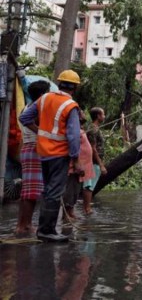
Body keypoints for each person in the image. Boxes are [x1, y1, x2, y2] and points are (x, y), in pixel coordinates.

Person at [19, 69, 83, 242]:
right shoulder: (70, 106)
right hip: (59, 155)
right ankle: (47, 231)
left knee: (48, 191)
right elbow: (73, 136)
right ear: (75, 88)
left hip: (43, 153)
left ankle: (43, 229)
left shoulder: (44, 98)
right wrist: (76, 160)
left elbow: (24, 118)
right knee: (54, 192)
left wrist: (40, 132)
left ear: (59, 83)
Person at [14, 80, 51, 236]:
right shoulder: (37, 108)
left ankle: (24, 224)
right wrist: (43, 133)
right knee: (31, 192)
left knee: (28, 190)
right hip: (34, 149)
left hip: (28, 149)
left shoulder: (27, 107)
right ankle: (24, 226)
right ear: (42, 95)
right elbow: (34, 125)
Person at [63, 110, 94, 220]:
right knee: (70, 190)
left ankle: (70, 212)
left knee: (75, 190)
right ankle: (66, 214)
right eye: (80, 112)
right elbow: (73, 144)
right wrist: (76, 163)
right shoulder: (73, 129)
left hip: (82, 165)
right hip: (75, 165)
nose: (83, 113)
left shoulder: (79, 129)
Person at [84, 107, 107, 214]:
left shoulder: (95, 128)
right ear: (98, 116)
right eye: (103, 114)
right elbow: (93, 148)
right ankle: (87, 209)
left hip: (95, 161)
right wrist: (101, 164)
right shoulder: (93, 129)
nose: (104, 116)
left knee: (90, 185)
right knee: (89, 185)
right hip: (93, 161)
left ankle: (87, 208)